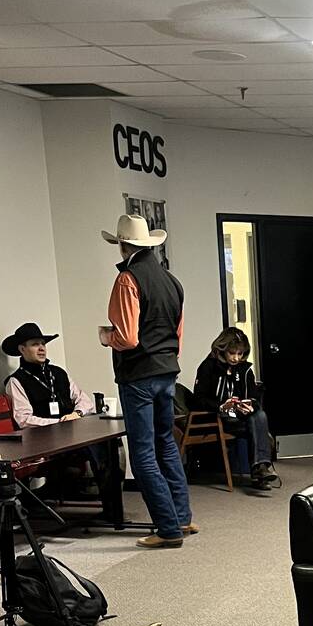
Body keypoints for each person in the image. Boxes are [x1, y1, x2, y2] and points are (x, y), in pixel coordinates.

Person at [98, 214, 194, 549]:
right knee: (166, 443)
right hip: (168, 370)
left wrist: (105, 336)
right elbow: (177, 335)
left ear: (123, 245)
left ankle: (168, 529)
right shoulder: (172, 281)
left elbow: (127, 337)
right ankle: (182, 517)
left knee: (142, 454)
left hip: (138, 375)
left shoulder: (128, 279)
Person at [192, 327, 279, 488]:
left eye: (240, 353)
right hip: (218, 417)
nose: (236, 358)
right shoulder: (208, 367)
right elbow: (198, 399)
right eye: (232, 353)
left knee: (259, 416)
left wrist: (249, 405)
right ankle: (260, 472)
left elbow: (253, 397)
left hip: (240, 416)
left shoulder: (245, 369)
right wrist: (221, 406)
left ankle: (260, 469)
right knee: (258, 426)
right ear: (223, 350)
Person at [0, 322, 95, 427]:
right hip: (43, 439)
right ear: (22, 349)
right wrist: (60, 422)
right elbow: (24, 419)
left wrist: (77, 413)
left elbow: (85, 401)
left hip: (72, 430)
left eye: (43, 344)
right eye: (35, 344)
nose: (42, 348)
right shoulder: (16, 381)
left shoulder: (59, 372)